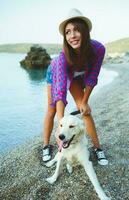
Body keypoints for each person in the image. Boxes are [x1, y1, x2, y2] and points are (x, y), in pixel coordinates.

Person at [42, 8, 108, 165]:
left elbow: (92, 77)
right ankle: (46, 146)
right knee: (52, 110)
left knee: (85, 111)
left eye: (76, 30)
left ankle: (98, 149)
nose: (72, 36)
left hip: (77, 75)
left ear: (84, 31)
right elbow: (60, 93)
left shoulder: (98, 49)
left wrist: (84, 101)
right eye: (68, 32)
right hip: (56, 75)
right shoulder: (61, 59)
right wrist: (61, 130)